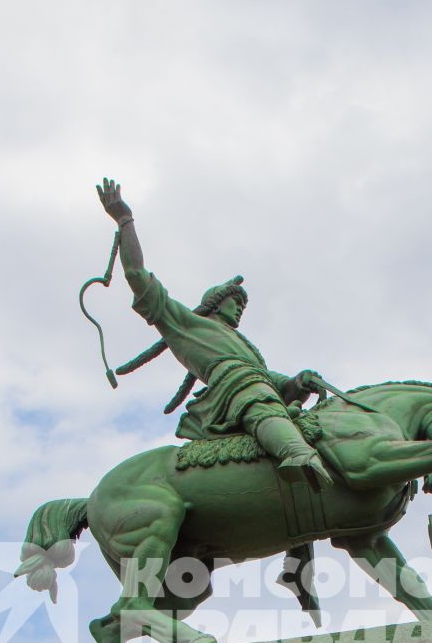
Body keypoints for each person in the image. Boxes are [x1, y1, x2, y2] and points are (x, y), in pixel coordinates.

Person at [96, 178, 333, 489]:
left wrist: (295, 382)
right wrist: (124, 219)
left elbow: (266, 378)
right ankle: (296, 453)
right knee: (257, 398)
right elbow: (137, 276)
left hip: (256, 384)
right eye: (235, 302)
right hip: (235, 391)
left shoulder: (244, 346)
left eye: (241, 306)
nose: (239, 310)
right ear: (215, 303)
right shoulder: (188, 324)